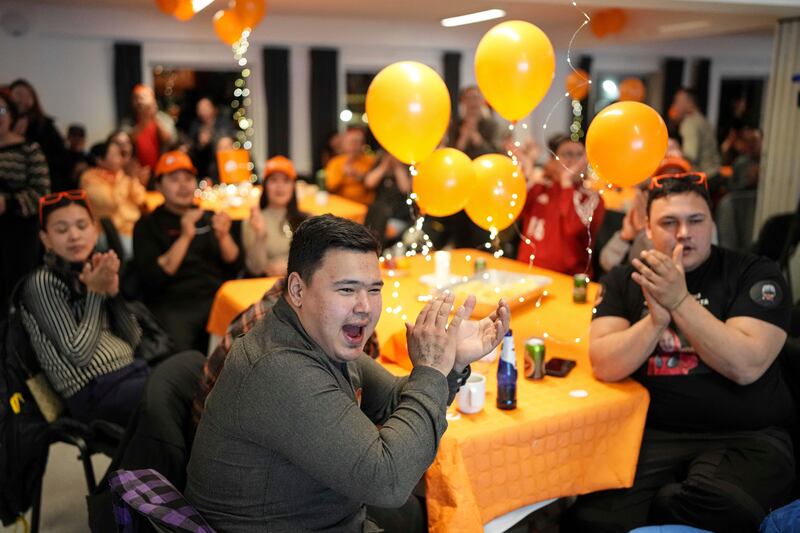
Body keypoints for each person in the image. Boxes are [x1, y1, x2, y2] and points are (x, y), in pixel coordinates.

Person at [185, 214, 511, 532]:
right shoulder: (279, 366)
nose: (365, 307)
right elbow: (389, 479)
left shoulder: (318, 335)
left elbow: (394, 400)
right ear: (298, 290)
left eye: (373, 289)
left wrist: (450, 363)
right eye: (346, 290)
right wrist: (430, 370)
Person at [566, 174, 795, 532]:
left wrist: (679, 301)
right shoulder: (624, 280)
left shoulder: (753, 273)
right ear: (647, 227)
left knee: (714, 505)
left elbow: (747, 365)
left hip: (748, 436)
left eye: (696, 220)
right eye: (669, 222)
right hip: (656, 434)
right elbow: (605, 363)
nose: (684, 232)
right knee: (590, 519)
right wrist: (654, 322)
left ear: (712, 223)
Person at [20, 191, 148, 426]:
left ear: (95, 229)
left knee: (191, 372)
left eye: (81, 225)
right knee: (178, 394)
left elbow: (132, 339)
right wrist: (96, 294)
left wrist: (112, 294)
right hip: (93, 391)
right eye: (61, 229)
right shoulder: (42, 282)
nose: (74, 236)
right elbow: (79, 353)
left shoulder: (91, 270)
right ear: (45, 239)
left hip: (131, 372)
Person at [133, 151, 242, 352]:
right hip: (175, 303)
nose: (183, 185)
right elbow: (152, 278)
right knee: (183, 358)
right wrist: (185, 236)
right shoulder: (147, 225)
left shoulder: (209, 216)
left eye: (188, 178)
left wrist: (224, 236)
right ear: (158, 186)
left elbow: (235, 264)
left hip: (216, 297)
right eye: (174, 179)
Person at [516, 134, 605, 276]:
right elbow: (512, 213)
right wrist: (526, 169)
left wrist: (566, 182)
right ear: (553, 160)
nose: (573, 161)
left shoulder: (592, 198)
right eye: (567, 154)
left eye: (579, 155)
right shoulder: (540, 188)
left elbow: (573, 229)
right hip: (527, 273)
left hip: (568, 278)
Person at [0, 90, 50, 321]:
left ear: (11, 114)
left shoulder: (29, 149)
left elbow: (42, 193)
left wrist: (8, 203)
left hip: (19, 233)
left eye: (2, 110)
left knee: (20, 297)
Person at [598, 156, 691, 274]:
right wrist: (625, 237)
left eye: (679, 181)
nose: (671, 188)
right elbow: (607, 263)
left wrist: (646, 231)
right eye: (663, 181)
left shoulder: (696, 221)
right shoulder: (642, 214)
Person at [241, 155, 307, 277]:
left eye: (286, 180)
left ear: (293, 186)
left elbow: (317, 260)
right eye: (273, 180)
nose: (280, 186)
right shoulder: (253, 221)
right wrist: (261, 235)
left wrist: (289, 266)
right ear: (265, 186)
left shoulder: (307, 220)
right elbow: (256, 269)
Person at [80, 141, 146, 258]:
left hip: (134, 228)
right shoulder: (89, 179)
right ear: (100, 160)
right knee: (140, 253)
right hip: (111, 232)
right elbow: (111, 203)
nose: (121, 158)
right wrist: (125, 179)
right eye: (115, 155)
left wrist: (133, 179)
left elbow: (140, 198)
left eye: (120, 154)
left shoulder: (121, 174)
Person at [9, 79, 68, 193]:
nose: (23, 99)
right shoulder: (5, 125)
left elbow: (62, 156)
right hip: (13, 188)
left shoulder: (45, 125)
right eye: (18, 94)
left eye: (28, 95)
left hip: (47, 185)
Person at [122, 85, 178, 177]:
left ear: (153, 100)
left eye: (142, 97)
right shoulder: (129, 121)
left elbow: (170, 141)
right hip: (136, 172)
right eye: (136, 98)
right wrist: (144, 120)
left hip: (162, 170)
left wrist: (154, 116)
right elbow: (126, 141)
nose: (139, 101)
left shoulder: (163, 119)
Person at [363, 151, 413, 245]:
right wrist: (384, 166)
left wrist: (397, 167)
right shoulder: (381, 164)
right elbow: (369, 182)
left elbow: (405, 188)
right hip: (378, 214)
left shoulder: (408, 166)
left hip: (398, 216)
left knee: (377, 232)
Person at [671, 87, 721, 177]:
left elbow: (690, 156)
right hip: (714, 174)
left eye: (678, 102)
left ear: (690, 103)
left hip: (704, 177)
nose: (675, 106)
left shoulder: (689, 123)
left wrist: (674, 150)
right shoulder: (702, 120)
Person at [324, 128, 376, 204]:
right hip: (342, 204)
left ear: (363, 144)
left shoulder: (371, 161)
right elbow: (329, 187)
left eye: (357, 142)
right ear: (343, 144)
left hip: (365, 205)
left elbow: (375, 186)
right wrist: (342, 173)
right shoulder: (335, 162)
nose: (354, 145)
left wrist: (361, 177)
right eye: (350, 142)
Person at [188, 97, 233, 179]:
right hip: (203, 166)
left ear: (213, 108)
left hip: (224, 164)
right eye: (200, 108)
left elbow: (228, 139)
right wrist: (201, 144)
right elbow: (191, 149)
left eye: (205, 107)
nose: (202, 111)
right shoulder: (195, 126)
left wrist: (213, 140)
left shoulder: (223, 122)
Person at [64, 124, 90, 191]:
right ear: (68, 137)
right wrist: (75, 173)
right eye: (74, 136)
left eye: (81, 136)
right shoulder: (61, 157)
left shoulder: (89, 157)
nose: (77, 139)